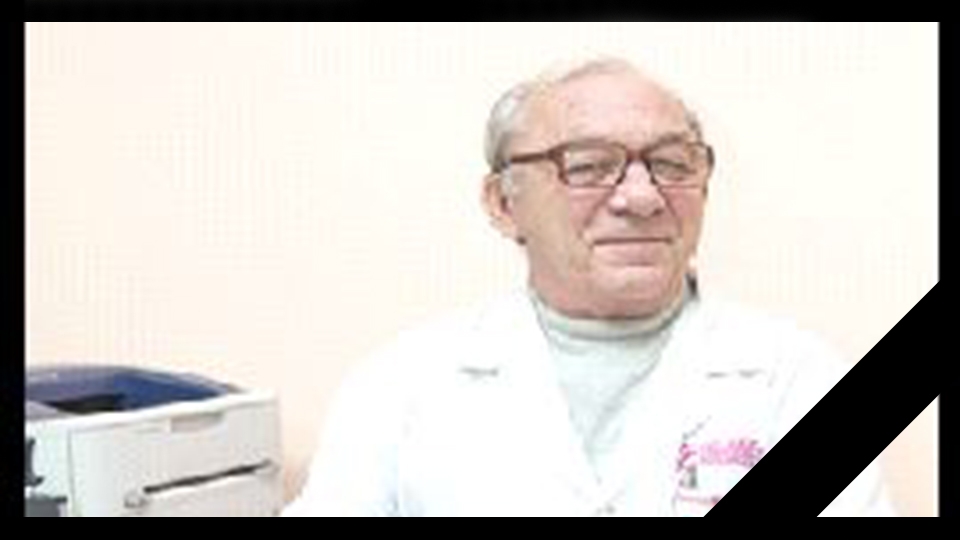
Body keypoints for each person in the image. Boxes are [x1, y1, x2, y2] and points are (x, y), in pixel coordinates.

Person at [283, 57, 896, 517]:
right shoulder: (401, 386)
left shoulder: (795, 378)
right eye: (588, 166)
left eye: (672, 163)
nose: (642, 197)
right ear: (503, 204)